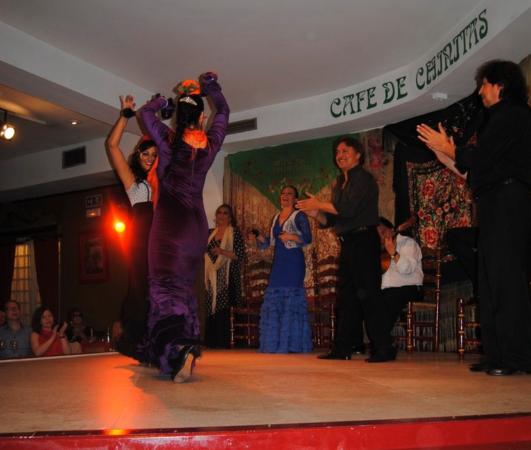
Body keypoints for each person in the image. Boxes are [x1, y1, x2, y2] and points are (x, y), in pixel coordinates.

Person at [417, 59, 531, 376]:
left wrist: (451, 149)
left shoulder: (514, 114)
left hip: (509, 202)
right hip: (495, 203)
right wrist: (443, 153)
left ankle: (517, 357)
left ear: (500, 85)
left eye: (484, 84)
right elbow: (473, 171)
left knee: (506, 281)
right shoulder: (498, 121)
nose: (480, 92)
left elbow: (478, 158)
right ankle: (497, 355)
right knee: (490, 282)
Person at [139, 72, 229, 382]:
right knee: (184, 289)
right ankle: (184, 346)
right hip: (195, 229)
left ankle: (178, 350)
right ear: (202, 118)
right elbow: (224, 110)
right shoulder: (210, 144)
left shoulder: (168, 141)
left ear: (179, 117)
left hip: (169, 227)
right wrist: (211, 88)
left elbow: (145, 114)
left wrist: (161, 103)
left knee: (165, 289)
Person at [297, 136, 380, 359]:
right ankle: (342, 348)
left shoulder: (363, 179)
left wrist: (320, 203)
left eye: (345, 151)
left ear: (358, 155)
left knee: (369, 296)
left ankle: (383, 348)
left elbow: (348, 209)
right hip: (349, 242)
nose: (340, 155)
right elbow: (333, 220)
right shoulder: (339, 182)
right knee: (346, 298)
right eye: (338, 152)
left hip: (365, 240)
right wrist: (316, 213)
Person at [105, 94, 158, 360]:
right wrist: (125, 115)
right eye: (145, 153)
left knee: (155, 289)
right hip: (140, 237)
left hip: (157, 238)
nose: (149, 158)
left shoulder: (158, 180)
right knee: (141, 288)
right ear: (137, 154)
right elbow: (112, 145)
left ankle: (154, 340)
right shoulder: (133, 180)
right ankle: (136, 341)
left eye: (153, 155)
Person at [249, 185, 313, 353]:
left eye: (289, 193)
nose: (285, 195)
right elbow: (268, 243)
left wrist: (291, 236)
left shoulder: (299, 216)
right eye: (283, 193)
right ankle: (275, 344)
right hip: (279, 263)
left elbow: (307, 238)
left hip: (293, 262)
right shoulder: (276, 217)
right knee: (274, 299)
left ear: (295, 199)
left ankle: (293, 344)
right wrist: (258, 236)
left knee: (291, 299)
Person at [366, 218, 423, 362]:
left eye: (383, 231)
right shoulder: (378, 251)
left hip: (410, 288)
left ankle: (383, 347)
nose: (381, 236)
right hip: (389, 291)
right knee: (371, 301)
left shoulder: (408, 243)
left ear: (392, 230)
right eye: (377, 234)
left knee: (387, 299)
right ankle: (384, 345)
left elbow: (407, 269)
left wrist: (393, 252)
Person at [204, 204, 245, 348]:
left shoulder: (234, 233)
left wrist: (221, 251)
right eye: (219, 213)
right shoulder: (210, 233)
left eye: (225, 213)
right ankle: (211, 343)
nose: (221, 215)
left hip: (227, 278)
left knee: (223, 310)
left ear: (230, 217)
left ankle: (223, 343)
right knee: (209, 309)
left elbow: (239, 255)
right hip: (210, 278)